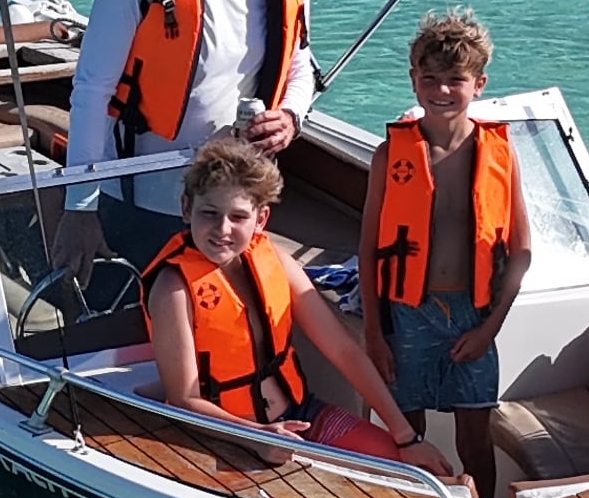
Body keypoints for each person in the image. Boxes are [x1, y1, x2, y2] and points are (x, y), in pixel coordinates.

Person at [54, 0, 313, 284]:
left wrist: (290, 115)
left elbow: (299, 63)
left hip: (229, 206)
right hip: (141, 198)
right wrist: (80, 207)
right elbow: (92, 91)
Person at [145, 137, 445, 472]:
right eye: (209, 214)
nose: (222, 229)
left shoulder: (275, 261)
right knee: (391, 489)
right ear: (187, 208)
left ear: (260, 220)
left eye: (238, 217)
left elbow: (343, 350)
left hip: (302, 416)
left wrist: (406, 437)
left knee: (419, 472)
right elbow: (184, 400)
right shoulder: (173, 290)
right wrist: (260, 437)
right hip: (225, 437)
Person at [358, 9, 533, 498]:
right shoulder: (390, 156)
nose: (441, 91)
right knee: (404, 429)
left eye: (455, 80)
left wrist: (489, 328)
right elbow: (369, 248)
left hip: (474, 315)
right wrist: (375, 333)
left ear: (478, 83)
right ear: (414, 80)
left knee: (474, 436)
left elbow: (520, 252)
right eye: (429, 78)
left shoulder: (500, 153)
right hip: (408, 315)